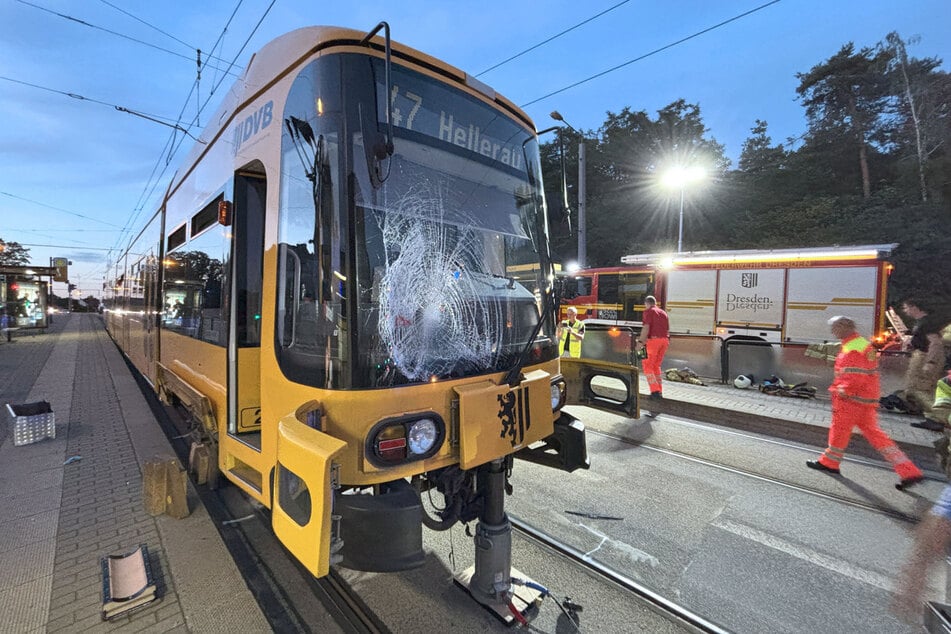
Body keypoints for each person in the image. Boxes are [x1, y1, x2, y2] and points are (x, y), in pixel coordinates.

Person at [807, 316, 924, 490]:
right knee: (876, 435)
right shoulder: (859, 343)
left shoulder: (853, 347)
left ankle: (830, 462)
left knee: (840, 431)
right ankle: (908, 470)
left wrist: (842, 391)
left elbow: (854, 375)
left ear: (843, 327)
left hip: (851, 400)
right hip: (865, 399)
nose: (832, 331)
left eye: (834, 327)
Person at [901, 298, 947, 431]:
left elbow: (936, 343)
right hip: (925, 355)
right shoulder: (924, 322)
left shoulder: (926, 323)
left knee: (915, 389)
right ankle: (932, 419)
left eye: (906, 308)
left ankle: (940, 417)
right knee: (927, 389)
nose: (905, 311)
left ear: (914, 307)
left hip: (925, 357)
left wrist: (930, 362)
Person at [636, 295, 669, 400]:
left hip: (653, 341)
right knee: (656, 366)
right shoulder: (663, 313)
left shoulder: (649, 312)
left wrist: (640, 342)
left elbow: (646, 327)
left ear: (647, 303)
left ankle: (654, 391)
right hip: (664, 340)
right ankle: (659, 390)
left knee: (647, 366)